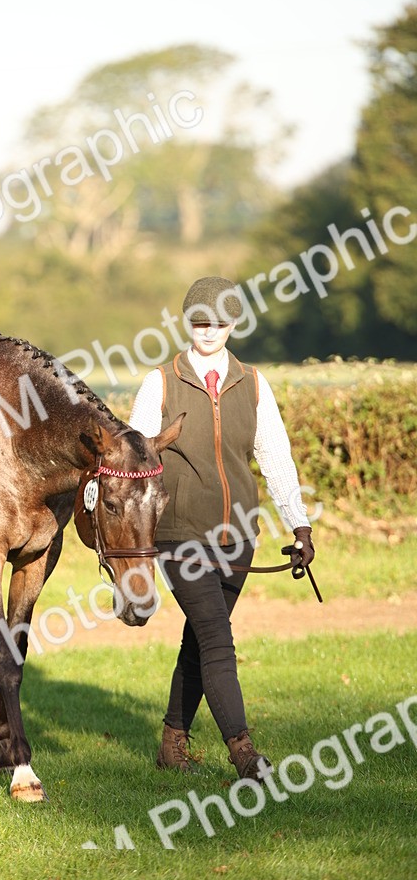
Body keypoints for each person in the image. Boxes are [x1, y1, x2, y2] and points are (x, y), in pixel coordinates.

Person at [129, 276, 315, 780]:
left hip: (239, 536)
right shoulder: (159, 383)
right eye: (199, 321)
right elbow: (133, 464)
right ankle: (244, 752)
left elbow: (274, 455)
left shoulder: (253, 383)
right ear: (185, 323)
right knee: (216, 637)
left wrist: (300, 526)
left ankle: (172, 743)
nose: (208, 330)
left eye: (219, 321)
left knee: (198, 640)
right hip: (179, 533)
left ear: (234, 324)